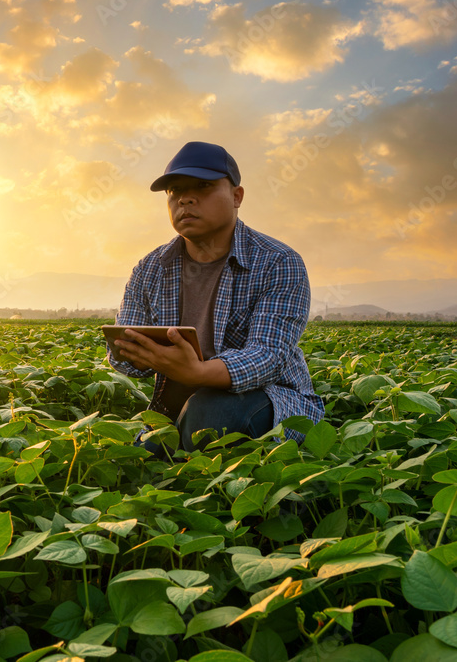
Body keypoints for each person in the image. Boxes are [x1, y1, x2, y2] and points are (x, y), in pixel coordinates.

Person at [108, 141, 324, 456]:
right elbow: (124, 355)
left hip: (266, 397)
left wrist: (197, 373)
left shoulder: (278, 261)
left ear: (237, 196)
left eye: (203, 186)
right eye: (174, 190)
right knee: (142, 454)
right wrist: (133, 352)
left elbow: (268, 356)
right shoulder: (150, 268)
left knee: (210, 416)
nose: (185, 198)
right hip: (177, 402)